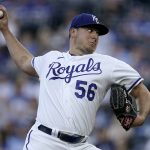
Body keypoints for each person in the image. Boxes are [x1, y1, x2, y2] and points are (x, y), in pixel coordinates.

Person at [0, 5, 150, 150]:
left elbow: (142, 91)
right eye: (90, 30)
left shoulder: (108, 64)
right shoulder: (51, 59)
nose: (95, 36)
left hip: (80, 144)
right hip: (44, 140)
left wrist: (141, 117)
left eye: (97, 33)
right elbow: (24, 61)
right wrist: (5, 30)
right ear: (73, 32)